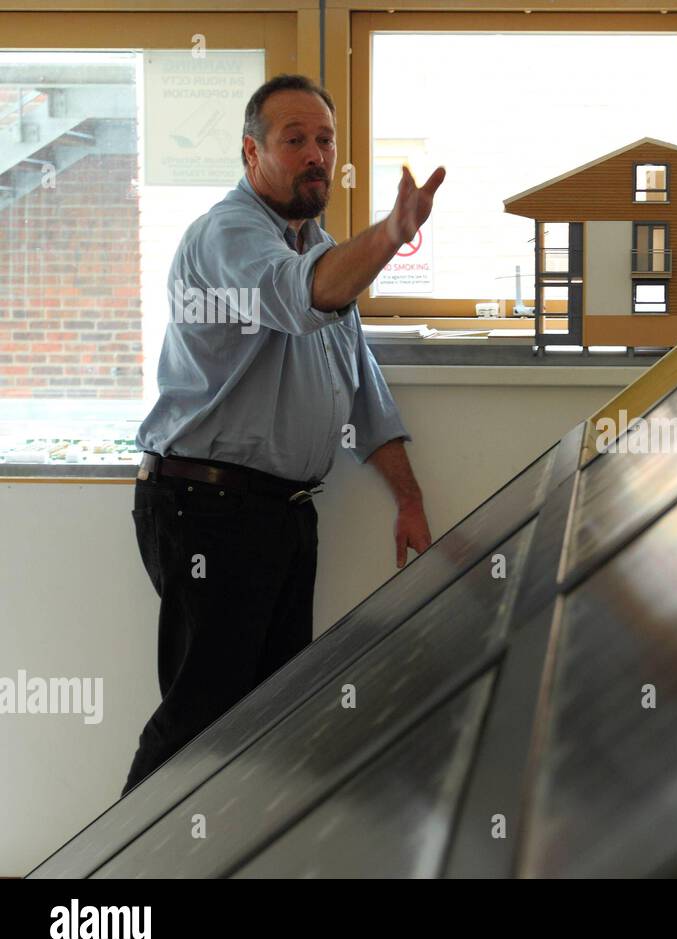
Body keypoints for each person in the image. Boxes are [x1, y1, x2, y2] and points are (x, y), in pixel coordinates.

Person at [123, 74, 446, 795]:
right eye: (294, 139)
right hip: (205, 510)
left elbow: (361, 387)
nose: (315, 155)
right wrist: (394, 234)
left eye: (325, 140)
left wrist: (409, 497)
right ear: (251, 152)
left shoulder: (318, 246)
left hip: (281, 515)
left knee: (273, 720)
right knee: (198, 724)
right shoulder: (228, 236)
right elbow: (301, 298)